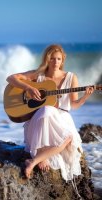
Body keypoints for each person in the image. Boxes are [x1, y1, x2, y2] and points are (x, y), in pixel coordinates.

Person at [6, 44, 94, 181]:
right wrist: (28, 88)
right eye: (52, 59)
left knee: (68, 138)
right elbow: (11, 78)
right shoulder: (38, 75)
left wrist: (85, 97)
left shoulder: (71, 78)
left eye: (58, 59)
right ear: (47, 59)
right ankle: (40, 154)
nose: (55, 62)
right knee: (47, 109)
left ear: (62, 60)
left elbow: (74, 105)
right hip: (40, 117)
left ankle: (33, 161)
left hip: (62, 118)